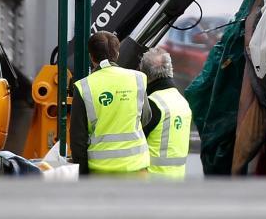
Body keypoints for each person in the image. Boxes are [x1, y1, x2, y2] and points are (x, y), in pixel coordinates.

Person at [70, 31, 151, 176]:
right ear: (117, 54)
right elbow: (145, 117)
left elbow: (78, 139)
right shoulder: (138, 79)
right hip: (137, 169)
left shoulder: (83, 87)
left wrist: (83, 175)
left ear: (91, 56)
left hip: (101, 173)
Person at [140, 47, 192, 179]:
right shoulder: (183, 103)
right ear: (170, 70)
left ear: (146, 75)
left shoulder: (152, 104)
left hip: (152, 181)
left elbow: (135, 142)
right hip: (177, 180)